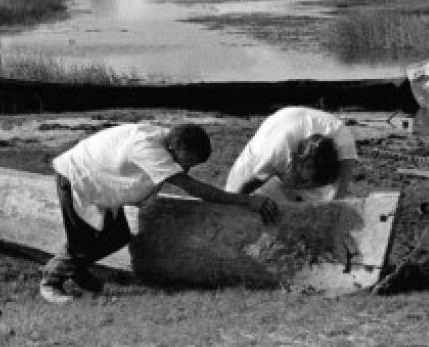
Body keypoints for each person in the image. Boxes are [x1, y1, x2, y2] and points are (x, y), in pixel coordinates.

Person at [40, 121, 280, 305]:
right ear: (175, 147)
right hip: (76, 178)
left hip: (99, 183)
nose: (186, 168)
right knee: (82, 241)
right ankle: (51, 282)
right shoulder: (148, 148)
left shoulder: (167, 139)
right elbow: (191, 187)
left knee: (117, 237)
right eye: (188, 162)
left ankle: (77, 270)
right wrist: (245, 201)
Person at [224, 106, 360, 203]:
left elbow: (337, 200)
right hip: (279, 126)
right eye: (304, 182)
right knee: (240, 194)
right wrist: (246, 201)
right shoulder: (272, 153)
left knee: (317, 201)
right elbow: (240, 190)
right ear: (296, 161)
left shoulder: (345, 146)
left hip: (300, 126)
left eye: (310, 184)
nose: (305, 186)